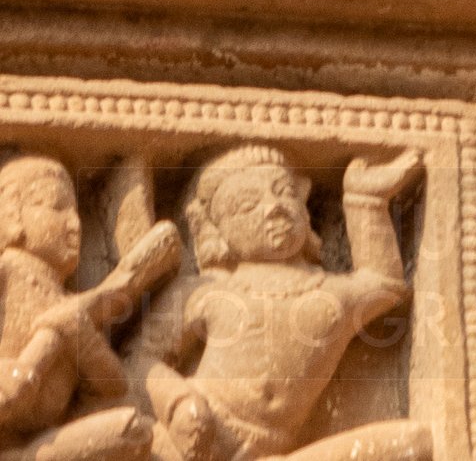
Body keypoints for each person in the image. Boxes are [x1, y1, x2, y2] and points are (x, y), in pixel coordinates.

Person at [142, 146, 427, 461]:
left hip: (268, 454)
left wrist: (365, 201)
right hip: (187, 440)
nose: (274, 208)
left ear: (304, 210)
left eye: (285, 193)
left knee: (415, 440)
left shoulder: (332, 294)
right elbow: (141, 359)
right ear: (216, 231)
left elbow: (383, 284)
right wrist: (179, 402)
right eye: (247, 205)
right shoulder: (205, 290)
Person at [0, 155, 179, 461]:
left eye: (75, 210)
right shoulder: (6, 274)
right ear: (12, 216)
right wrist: (38, 350)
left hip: (43, 444)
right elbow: (10, 396)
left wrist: (76, 329)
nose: (74, 223)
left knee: (134, 429)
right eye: (56, 207)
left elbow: (113, 387)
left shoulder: (67, 304)